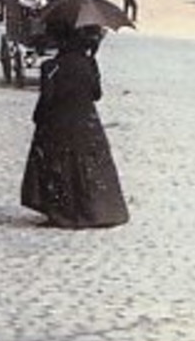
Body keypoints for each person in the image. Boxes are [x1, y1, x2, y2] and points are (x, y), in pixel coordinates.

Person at [20, 24, 129, 229]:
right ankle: (95, 210)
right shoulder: (89, 64)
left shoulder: (51, 67)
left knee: (57, 165)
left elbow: (47, 99)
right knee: (89, 165)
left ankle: (62, 211)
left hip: (58, 123)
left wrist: (38, 118)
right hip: (86, 122)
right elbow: (96, 95)